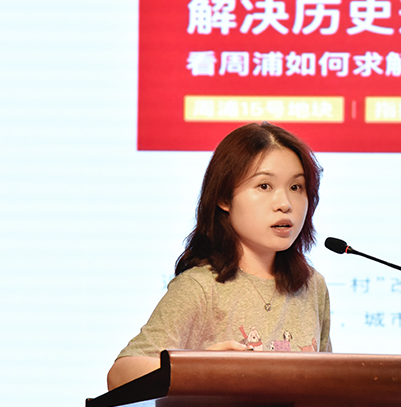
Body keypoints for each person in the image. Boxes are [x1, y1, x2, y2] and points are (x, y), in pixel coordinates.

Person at [107, 122, 332, 390]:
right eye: (264, 186)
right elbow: (120, 376)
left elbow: (327, 384)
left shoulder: (312, 286)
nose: (285, 204)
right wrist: (200, 366)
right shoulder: (200, 288)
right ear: (224, 198)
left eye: (296, 187)